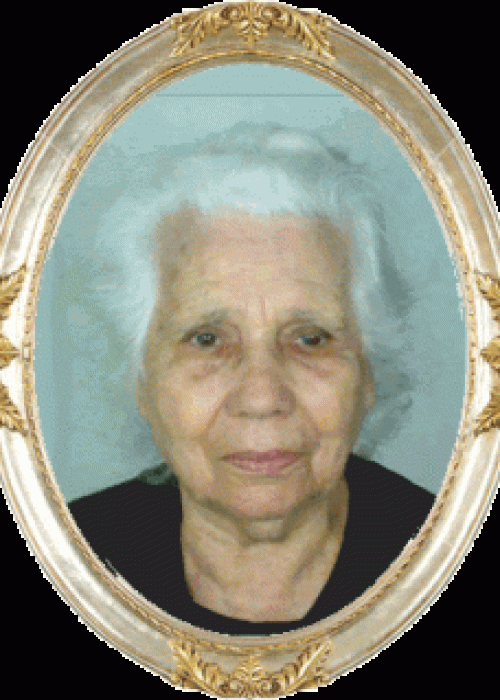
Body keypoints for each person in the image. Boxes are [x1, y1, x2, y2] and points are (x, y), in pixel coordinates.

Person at [69, 123, 434, 635]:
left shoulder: (450, 551)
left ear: (369, 372)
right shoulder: (63, 556)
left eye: (310, 339)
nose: (262, 398)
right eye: (206, 339)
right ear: (141, 378)